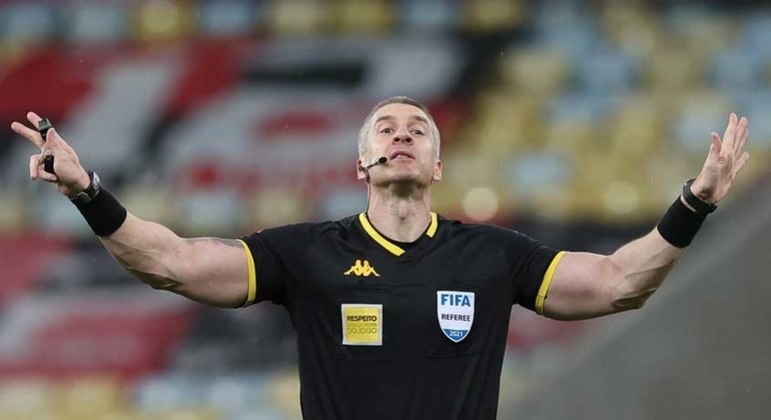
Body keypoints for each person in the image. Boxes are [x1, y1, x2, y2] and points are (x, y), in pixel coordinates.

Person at [11, 96, 750, 419]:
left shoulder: (492, 256)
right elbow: (172, 262)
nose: (402, 134)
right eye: (385, 127)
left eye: (419, 129)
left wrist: (695, 202)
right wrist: (89, 191)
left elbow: (620, 282)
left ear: (436, 165)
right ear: (359, 163)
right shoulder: (304, 252)